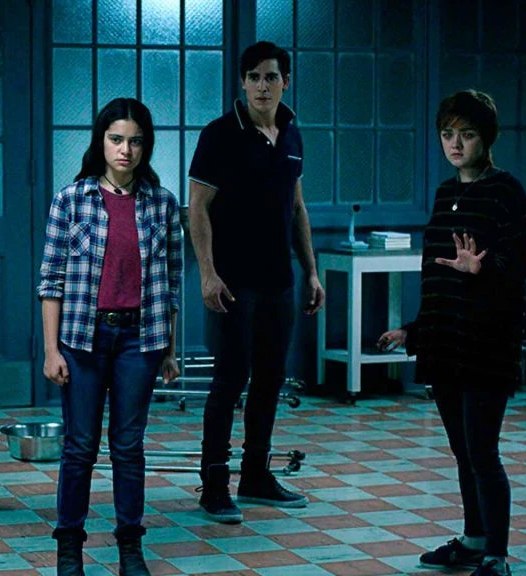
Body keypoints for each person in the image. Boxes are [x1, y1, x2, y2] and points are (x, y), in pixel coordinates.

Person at [379, 90, 526, 576]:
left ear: (487, 137)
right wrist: (413, 329)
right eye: (448, 134)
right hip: (445, 341)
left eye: (467, 134)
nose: (456, 143)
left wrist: (480, 269)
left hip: (487, 343)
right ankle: (473, 539)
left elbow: (515, 267)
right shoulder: (446, 193)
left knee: (483, 451)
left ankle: (496, 555)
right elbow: (437, 276)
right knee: (463, 452)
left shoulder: (506, 190)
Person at [38, 98, 182, 576]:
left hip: (140, 340)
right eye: (116, 139)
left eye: (135, 142)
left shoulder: (162, 204)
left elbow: (171, 284)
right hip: (83, 339)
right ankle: (69, 547)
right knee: (80, 446)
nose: (126, 150)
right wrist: (51, 350)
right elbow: (51, 281)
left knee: (128, 446)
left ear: (146, 147)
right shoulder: (70, 200)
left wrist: (170, 350)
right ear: (101, 141)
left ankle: (130, 548)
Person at [187, 40, 323, 524]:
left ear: (286, 81)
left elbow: (297, 208)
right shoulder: (220, 134)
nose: (262, 86)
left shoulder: (292, 135)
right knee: (230, 380)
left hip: (278, 280)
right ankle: (214, 485)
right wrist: (207, 273)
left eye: (271, 76)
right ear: (242, 83)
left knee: (269, 379)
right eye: (254, 77)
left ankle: (256, 476)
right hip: (232, 281)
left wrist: (311, 270)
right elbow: (198, 208)